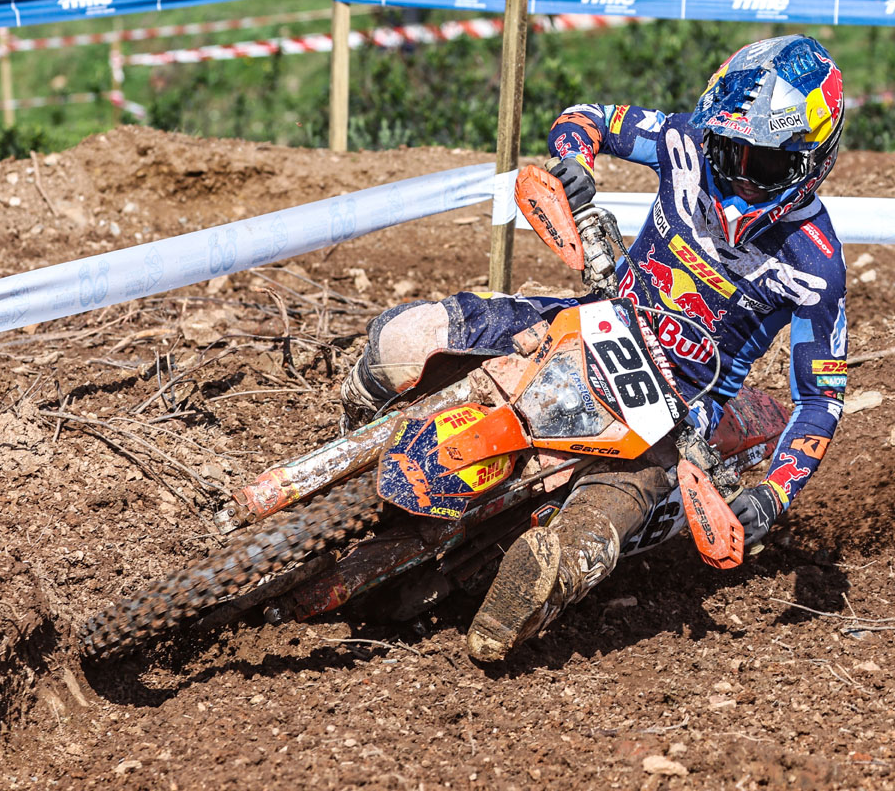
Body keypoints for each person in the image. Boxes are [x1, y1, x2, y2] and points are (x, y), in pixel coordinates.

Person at [340, 34, 848, 662]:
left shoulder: (813, 265)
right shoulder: (685, 143)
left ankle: (519, 602)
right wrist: (574, 161)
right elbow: (590, 117)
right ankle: (353, 441)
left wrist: (773, 495)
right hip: (591, 321)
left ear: (812, 161)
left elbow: (820, 399)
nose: (740, 178)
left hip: (674, 415)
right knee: (402, 339)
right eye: (728, 152)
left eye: (765, 165)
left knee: (578, 544)